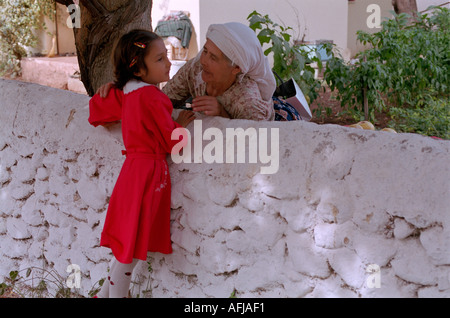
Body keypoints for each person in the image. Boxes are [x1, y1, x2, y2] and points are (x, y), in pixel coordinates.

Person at [88, 29, 195, 298]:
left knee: (127, 244)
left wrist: (109, 88)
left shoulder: (127, 93)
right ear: (138, 69)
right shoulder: (153, 97)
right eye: (159, 59)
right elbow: (173, 144)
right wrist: (180, 125)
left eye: (166, 57)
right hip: (148, 176)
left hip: (132, 175)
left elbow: (97, 111)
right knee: (131, 251)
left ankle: (103, 295)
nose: (168, 63)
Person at [98, 22, 287, 121]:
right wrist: (124, 88)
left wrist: (223, 114)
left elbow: (256, 145)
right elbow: (161, 101)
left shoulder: (248, 101)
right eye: (205, 51)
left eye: (213, 58)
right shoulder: (196, 69)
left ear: (236, 68)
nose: (203, 60)